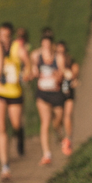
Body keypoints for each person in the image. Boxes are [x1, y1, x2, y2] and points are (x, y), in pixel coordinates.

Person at [0, 22, 31, 181]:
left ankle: (19, 135)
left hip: (15, 93)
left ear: (11, 36)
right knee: (1, 128)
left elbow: (28, 63)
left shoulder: (17, 48)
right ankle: (5, 166)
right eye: (1, 35)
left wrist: (27, 73)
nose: (4, 39)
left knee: (15, 124)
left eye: (7, 36)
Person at [31, 28, 66, 165]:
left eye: (48, 44)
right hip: (43, 93)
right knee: (45, 122)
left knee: (57, 120)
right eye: (43, 44)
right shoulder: (36, 56)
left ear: (52, 45)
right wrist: (32, 72)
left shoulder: (59, 57)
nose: (46, 47)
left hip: (56, 93)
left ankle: (59, 134)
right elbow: (32, 69)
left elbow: (61, 74)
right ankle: (47, 154)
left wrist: (58, 75)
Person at [57, 39, 80, 156]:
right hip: (56, 94)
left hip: (68, 93)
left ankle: (68, 139)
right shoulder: (53, 63)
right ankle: (61, 137)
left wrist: (74, 77)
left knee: (67, 116)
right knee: (57, 119)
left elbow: (75, 72)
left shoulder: (71, 63)